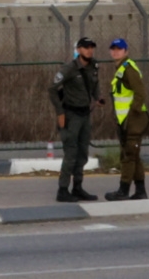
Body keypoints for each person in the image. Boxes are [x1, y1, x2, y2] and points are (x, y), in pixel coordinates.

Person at [48, 37, 103, 202]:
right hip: (70, 116)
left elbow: (95, 84)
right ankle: (63, 190)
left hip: (85, 115)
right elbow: (52, 88)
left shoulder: (94, 66)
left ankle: (77, 187)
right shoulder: (69, 69)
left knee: (82, 153)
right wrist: (60, 112)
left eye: (91, 47)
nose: (89, 50)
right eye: (86, 48)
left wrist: (97, 97)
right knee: (71, 153)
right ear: (78, 50)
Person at [103, 38, 149, 200]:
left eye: (119, 49)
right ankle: (141, 191)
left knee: (129, 155)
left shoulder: (129, 69)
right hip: (125, 120)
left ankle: (123, 190)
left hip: (133, 120)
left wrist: (132, 115)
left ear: (126, 51)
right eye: (113, 49)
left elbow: (140, 93)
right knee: (133, 155)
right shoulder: (120, 69)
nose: (116, 52)